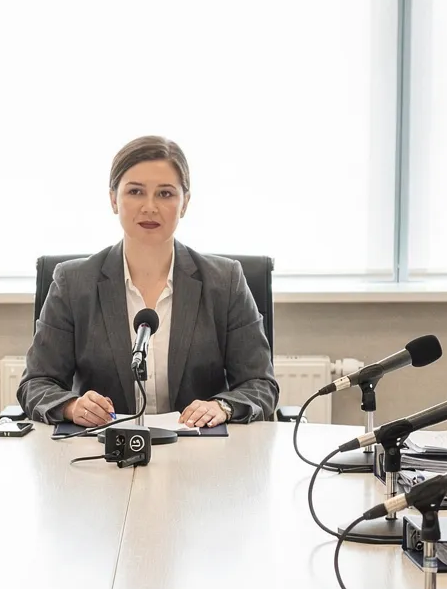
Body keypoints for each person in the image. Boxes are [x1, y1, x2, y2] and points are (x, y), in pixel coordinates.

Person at [17, 136, 280, 427]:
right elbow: (37, 384)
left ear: (185, 203)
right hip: (102, 454)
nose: (150, 207)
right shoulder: (73, 282)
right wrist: (71, 406)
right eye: (136, 191)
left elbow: (260, 384)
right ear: (113, 199)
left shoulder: (225, 280)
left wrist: (223, 407)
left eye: (165, 194)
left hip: (198, 453)